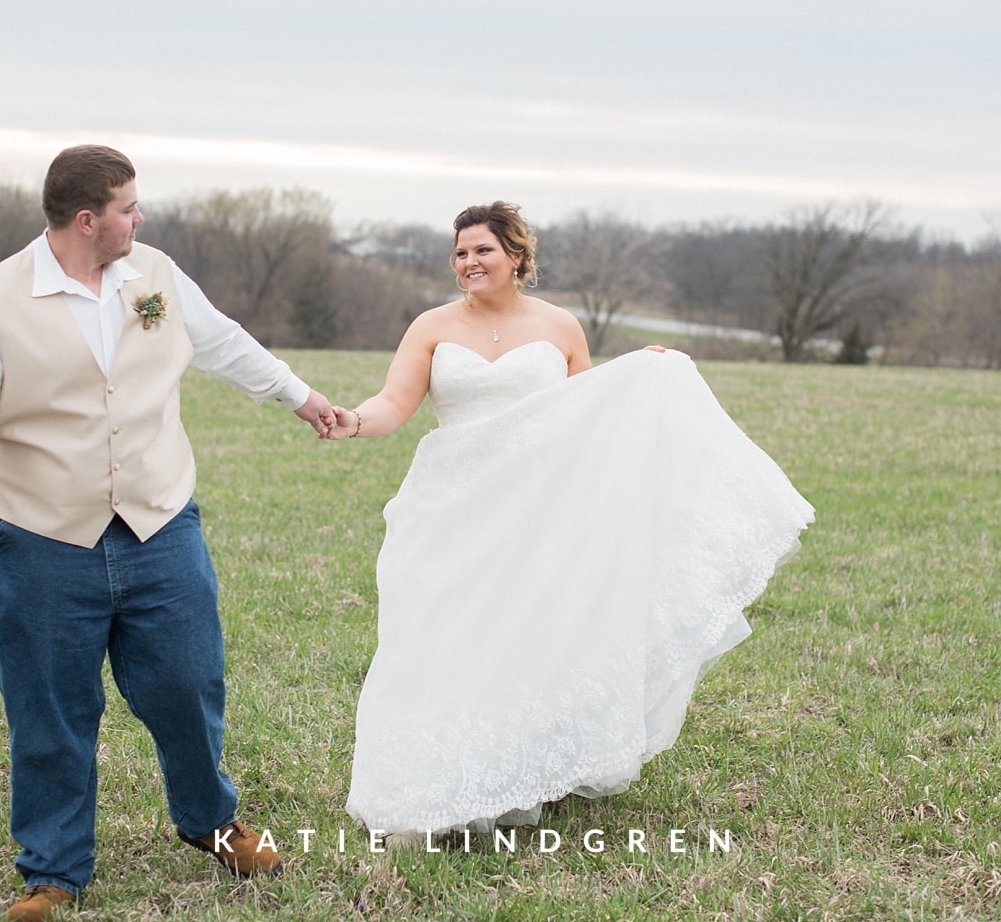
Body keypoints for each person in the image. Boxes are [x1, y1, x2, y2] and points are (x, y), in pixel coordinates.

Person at [0, 145, 342, 921]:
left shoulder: (158, 277)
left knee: (188, 681)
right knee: (50, 707)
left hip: (160, 520)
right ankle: (52, 874)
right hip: (42, 537)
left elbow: (224, 342)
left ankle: (211, 823)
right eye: (129, 208)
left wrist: (300, 397)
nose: (141, 218)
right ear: (86, 220)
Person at [327, 201, 814, 840]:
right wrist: (354, 420)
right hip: (454, 503)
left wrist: (645, 375)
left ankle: (516, 765)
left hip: (538, 507)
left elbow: (589, 412)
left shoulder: (560, 327)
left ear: (517, 257)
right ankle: (431, 777)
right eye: (461, 253)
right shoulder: (431, 326)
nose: (469, 262)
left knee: (526, 630)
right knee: (441, 630)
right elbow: (395, 401)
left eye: (482, 251)